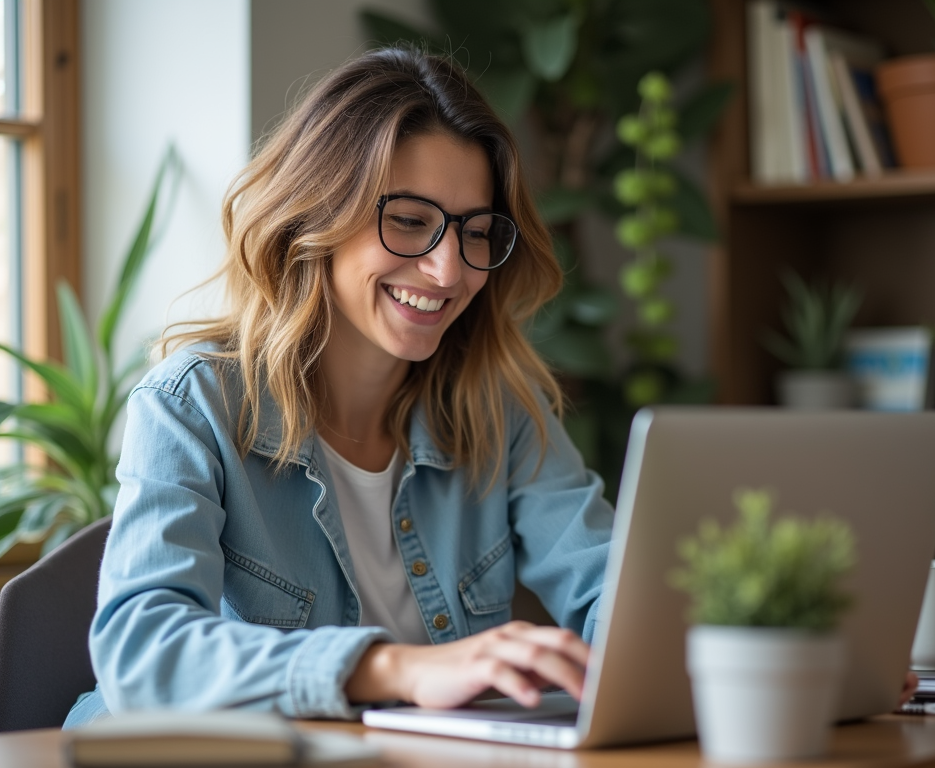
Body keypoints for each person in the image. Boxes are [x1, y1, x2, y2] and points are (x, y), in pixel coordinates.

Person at [63, 47, 614, 727]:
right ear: (316, 213)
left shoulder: (497, 411)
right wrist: (397, 668)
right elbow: (141, 654)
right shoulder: (192, 404)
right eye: (410, 221)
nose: (448, 271)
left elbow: (610, 588)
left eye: (475, 233)